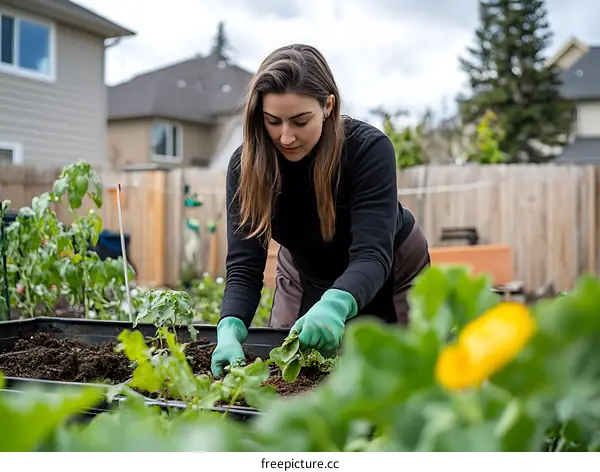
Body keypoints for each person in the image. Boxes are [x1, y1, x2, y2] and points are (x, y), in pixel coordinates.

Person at [210, 44, 430, 378]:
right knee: (288, 376)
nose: (285, 137)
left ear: (327, 105)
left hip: (389, 270)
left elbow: (372, 254)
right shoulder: (247, 165)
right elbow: (244, 265)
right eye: (273, 121)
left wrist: (335, 304)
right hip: (305, 270)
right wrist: (229, 327)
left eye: (300, 121)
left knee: (398, 380)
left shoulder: (367, 150)